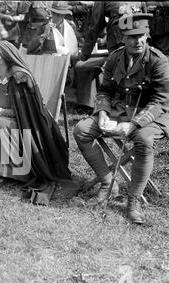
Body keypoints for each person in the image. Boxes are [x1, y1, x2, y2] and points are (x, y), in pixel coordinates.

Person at [73, 13, 169, 224]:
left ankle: (133, 201)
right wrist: (102, 113)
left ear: (148, 34)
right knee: (82, 130)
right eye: (133, 37)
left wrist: (133, 124)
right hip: (118, 111)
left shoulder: (158, 61)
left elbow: (161, 100)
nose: (139, 41)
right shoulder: (115, 58)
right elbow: (105, 90)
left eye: (142, 35)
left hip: (152, 116)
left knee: (143, 139)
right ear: (123, 38)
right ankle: (108, 183)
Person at [0, 41, 73, 201]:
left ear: (0, 60)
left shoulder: (20, 79)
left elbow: (24, 114)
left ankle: (6, 172)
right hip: (1, 120)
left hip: (27, 125)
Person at [74, 2, 146, 111]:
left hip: (119, 36)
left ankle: (115, 105)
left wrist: (84, 54)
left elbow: (96, 25)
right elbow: (145, 16)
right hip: (136, 34)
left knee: (117, 70)